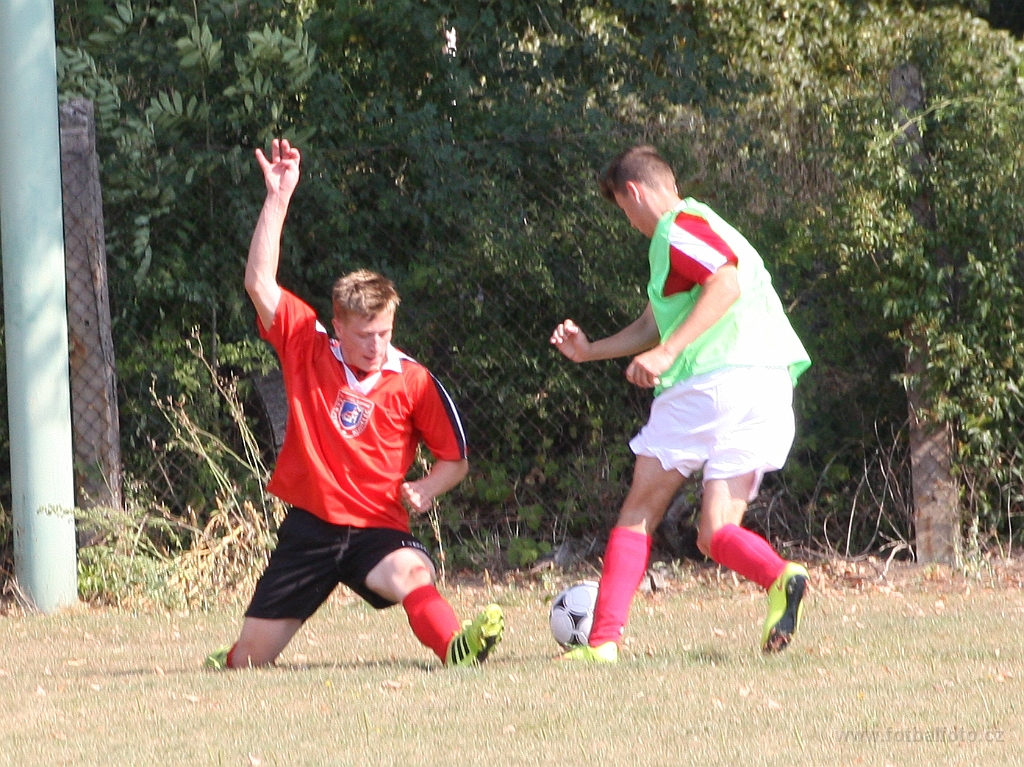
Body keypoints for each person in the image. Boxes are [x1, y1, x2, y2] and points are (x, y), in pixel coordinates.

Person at [205, 139, 503, 670]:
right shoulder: (307, 345)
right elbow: (258, 282)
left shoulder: (414, 381)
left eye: (384, 332)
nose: (376, 345)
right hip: (311, 527)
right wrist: (278, 198)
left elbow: (455, 461)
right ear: (337, 325)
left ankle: (456, 648)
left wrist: (427, 488)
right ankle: (229, 656)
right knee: (250, 661)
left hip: (377, 530)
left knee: (413, 573)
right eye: (364, 334)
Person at [550, 145, 812, 662]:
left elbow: (724, 285)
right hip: (767, 385)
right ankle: (781, 576)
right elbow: (654, 323)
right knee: (715, 534)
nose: (629, 223)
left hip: (711, 382)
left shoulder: (677, 227)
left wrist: (668, 353)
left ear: (634, 192)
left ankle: (602, 643)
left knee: (638, 512)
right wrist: (590, 351)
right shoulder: (710, 227)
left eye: (623, 210)